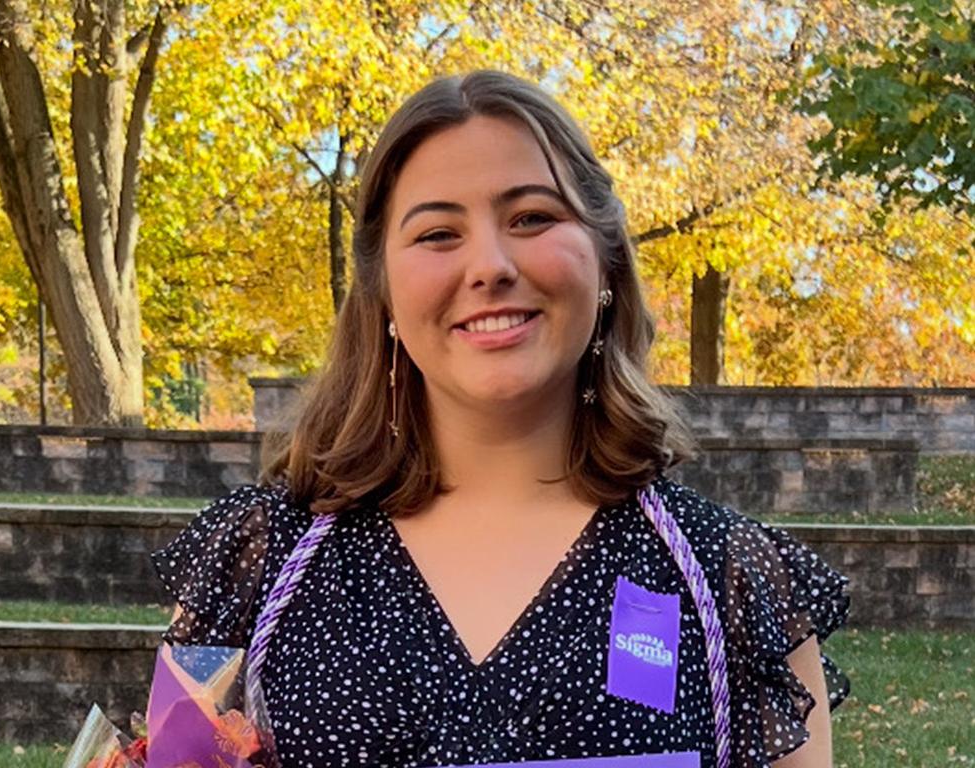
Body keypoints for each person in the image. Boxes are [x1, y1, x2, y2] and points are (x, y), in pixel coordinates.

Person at [153, 70, 849, 768]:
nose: (489, 265)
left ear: (605, 262)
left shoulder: (729, 580)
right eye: (437, 233)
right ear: (384, 292)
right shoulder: (257, 565)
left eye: (532, 218)